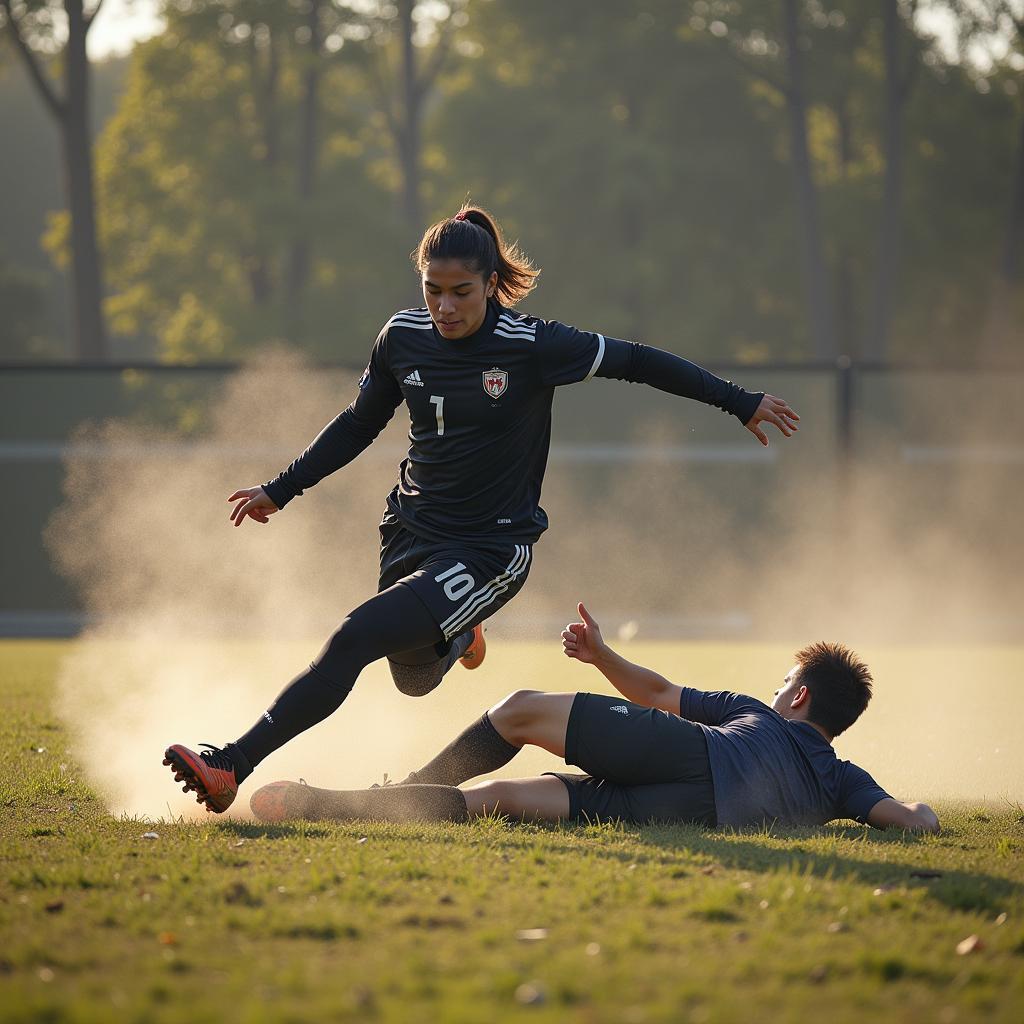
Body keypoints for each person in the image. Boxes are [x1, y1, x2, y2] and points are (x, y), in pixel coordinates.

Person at [163, 206, 801, 814]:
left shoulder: (533, 345)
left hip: (489, 551)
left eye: (461, 291)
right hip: (409, 532)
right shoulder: (402, 336)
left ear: (493, 285)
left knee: (354, 635)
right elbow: (359, 422)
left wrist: (736, 400)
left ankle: (232, 764)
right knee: (410, 677)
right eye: (431, 289)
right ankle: (458, 635)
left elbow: (637, 360)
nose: (443, 306)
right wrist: (282, 487)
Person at [250, 604, 940, 834]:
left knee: (517, 710)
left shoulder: (759, 716)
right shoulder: (841, 780)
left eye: (784, 680)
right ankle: (324, 805)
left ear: (798, 698)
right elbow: (908, 819)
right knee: (496, 801)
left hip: (692, 759)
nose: (778, 687)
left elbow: (660, 694)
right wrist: (925, 812)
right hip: (687, 819)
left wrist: (602, 655)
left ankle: (396, 785)